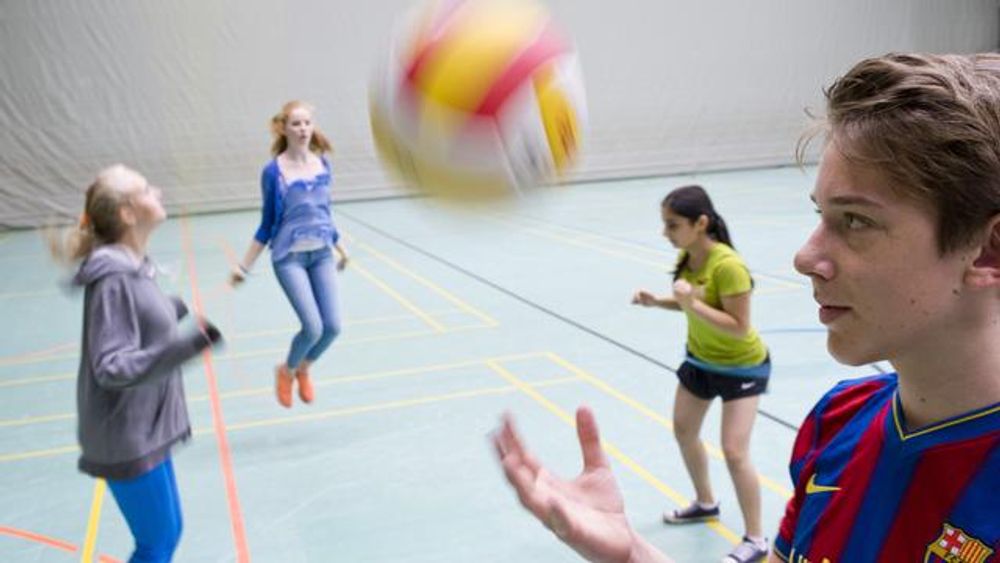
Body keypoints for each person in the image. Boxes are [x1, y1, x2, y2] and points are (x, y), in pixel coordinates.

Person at [494, 52, 1000, 563]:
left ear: (987, 252)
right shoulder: (838, 421)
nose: (805, 257)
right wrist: (630, 555)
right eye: (821, 215)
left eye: (856, 221)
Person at [50, 164, 224, 562]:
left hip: (145, 425)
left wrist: (174, 309)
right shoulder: (114, 278)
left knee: (168, 532)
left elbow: (140, 317)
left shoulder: (133, 265)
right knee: (156, 543)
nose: (157, 191)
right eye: (146, 189)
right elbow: (111, 366)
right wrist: (189, 345)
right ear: (128, 213)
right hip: (123, 433)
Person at [631, 185, 770, 563]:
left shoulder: (728, 266)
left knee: (734, 450)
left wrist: (688, 301)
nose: (665, 233)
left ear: (701, 223)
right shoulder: (689, 259)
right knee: (684, 430)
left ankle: (756, 539)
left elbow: (739, 325)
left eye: (672, 225)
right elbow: (695, 307)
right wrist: (659, 302)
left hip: (742, 366)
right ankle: (706, 502)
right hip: (700, 361)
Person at [231, 100, 349, 408]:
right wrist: (243, 267)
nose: (303, 129)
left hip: (321, 253)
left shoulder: (323, 165)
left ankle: (303, 369)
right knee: (312, 327)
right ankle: (286, 371)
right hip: (290, 258)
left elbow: (323, 213)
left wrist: (340, 247)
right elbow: (267, 223)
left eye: (307, 123)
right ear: (283, 128)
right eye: (296, 124)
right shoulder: (273, 172)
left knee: (333, 327)